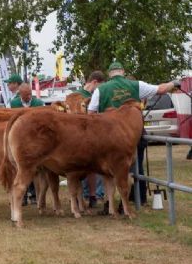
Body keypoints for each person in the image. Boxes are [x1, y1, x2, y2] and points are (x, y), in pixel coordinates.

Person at [87, 61, 181, 213]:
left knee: (107, 173)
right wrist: (174, 83)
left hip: (108, 138)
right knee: (134, 169)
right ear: (122, 72)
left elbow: (90, 114)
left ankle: (109, 204)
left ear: (110, 74)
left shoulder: (101, 89)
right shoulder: (136, 85)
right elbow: (162, 89)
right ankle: (136, 199)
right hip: (133, 134)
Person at [8, 82, 44, 206]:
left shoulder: (38, 103)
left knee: (33, 169)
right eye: (25, 95)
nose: (28, 97)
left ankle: (33, 195)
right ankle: (22, 196)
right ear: (20, 94)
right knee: (20, 168)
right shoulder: (14, 103)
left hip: (35, 138)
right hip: (20, 138)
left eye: (29, 94)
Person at [74, 71, 106, 208]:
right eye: (100, 86)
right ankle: (87, 195)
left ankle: (93, 195)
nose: (100, 89)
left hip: (90, 137)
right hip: (81, 137)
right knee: (82, 168)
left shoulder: (88, 95)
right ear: (94, 82)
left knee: (92, 168)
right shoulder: (77, 97)